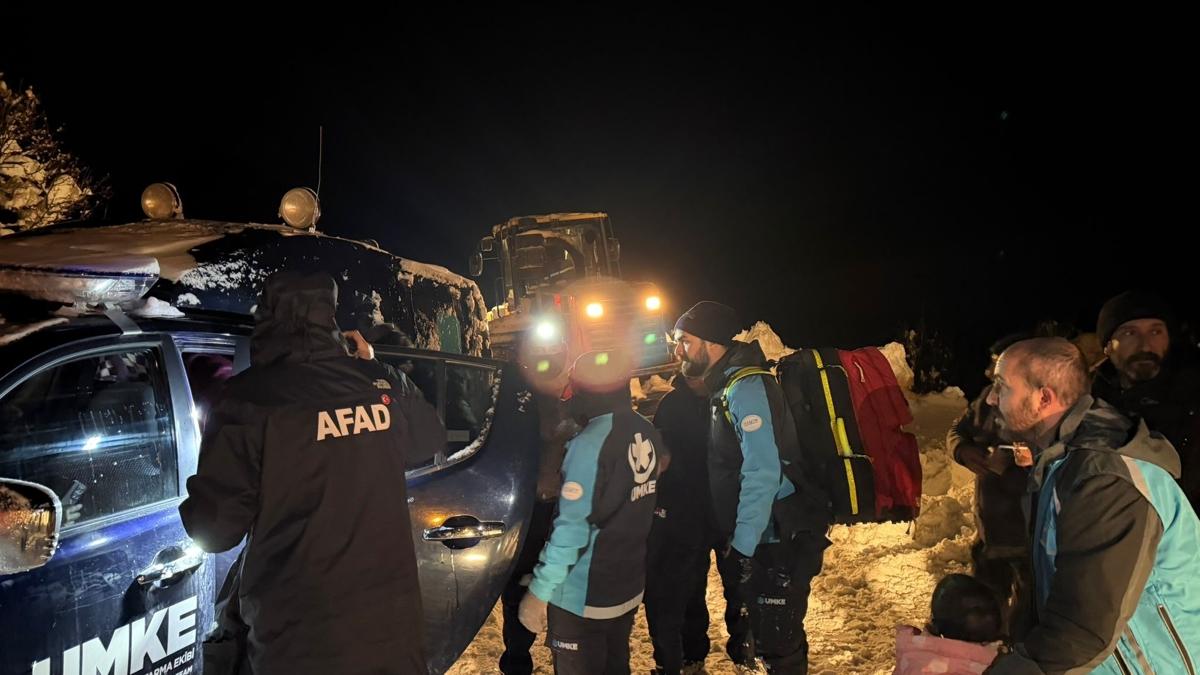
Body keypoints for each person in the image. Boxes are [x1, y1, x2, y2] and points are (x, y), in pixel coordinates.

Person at [179, 270, 445, 675]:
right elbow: (430, 438)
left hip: (299, 642)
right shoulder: (376, 387)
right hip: (392, 635)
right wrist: (377, 367)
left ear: (265, 317)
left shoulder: (248, 400)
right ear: (330, 315)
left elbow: (214, 531)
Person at [986, 338, 1200, 674]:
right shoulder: (1063, 462)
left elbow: (1083, 629)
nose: (990, 398)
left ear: (1044, 398)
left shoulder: (1104, 477)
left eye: (1001, 386)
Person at [672, 301, 831, 674]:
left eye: (685, 341)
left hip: (777, 537)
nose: (678, 351)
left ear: (711, 341)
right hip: (766, 536)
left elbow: (762, 471)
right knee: (772, 637)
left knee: (778, 643)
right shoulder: (727, 384)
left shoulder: (745, 388)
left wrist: (743, 547)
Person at [517, 350, 662, 675]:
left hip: (583, 599)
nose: (569, 395)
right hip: (625, 586)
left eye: (575, 387)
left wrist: (540, 590)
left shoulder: (589, 444)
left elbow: (572, 529)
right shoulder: (645, 430)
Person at [946, 332, 1032, 637]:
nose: (990, 377)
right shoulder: (987, 400)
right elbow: (957, 430)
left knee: (1027, 621)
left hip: (1029, 541)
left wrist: (1015, 461)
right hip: (990, 535)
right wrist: (963, 449)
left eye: (1001, 372)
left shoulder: (1045, 408)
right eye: (993, 370)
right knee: (985, 617)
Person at [1092, 290, 1200, 508]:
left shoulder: (1192, 398)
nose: (1145, 346)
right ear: (1107, 347)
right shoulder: (1088, 404)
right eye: (1130, 333)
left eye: (1156, 332)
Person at [645, 370, 714, 674]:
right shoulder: (672, 404)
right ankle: (669, 660)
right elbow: (661, 452)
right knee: (666, 590)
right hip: (676, 510)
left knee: (696, 587)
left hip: (709, 509)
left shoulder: (724, 398)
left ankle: (695, 657)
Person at [894, 574, 1003, 675]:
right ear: (949, 621)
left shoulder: (914, 655)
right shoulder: (982, 665)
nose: (991, 617)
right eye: (978, 612)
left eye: (993, 607)